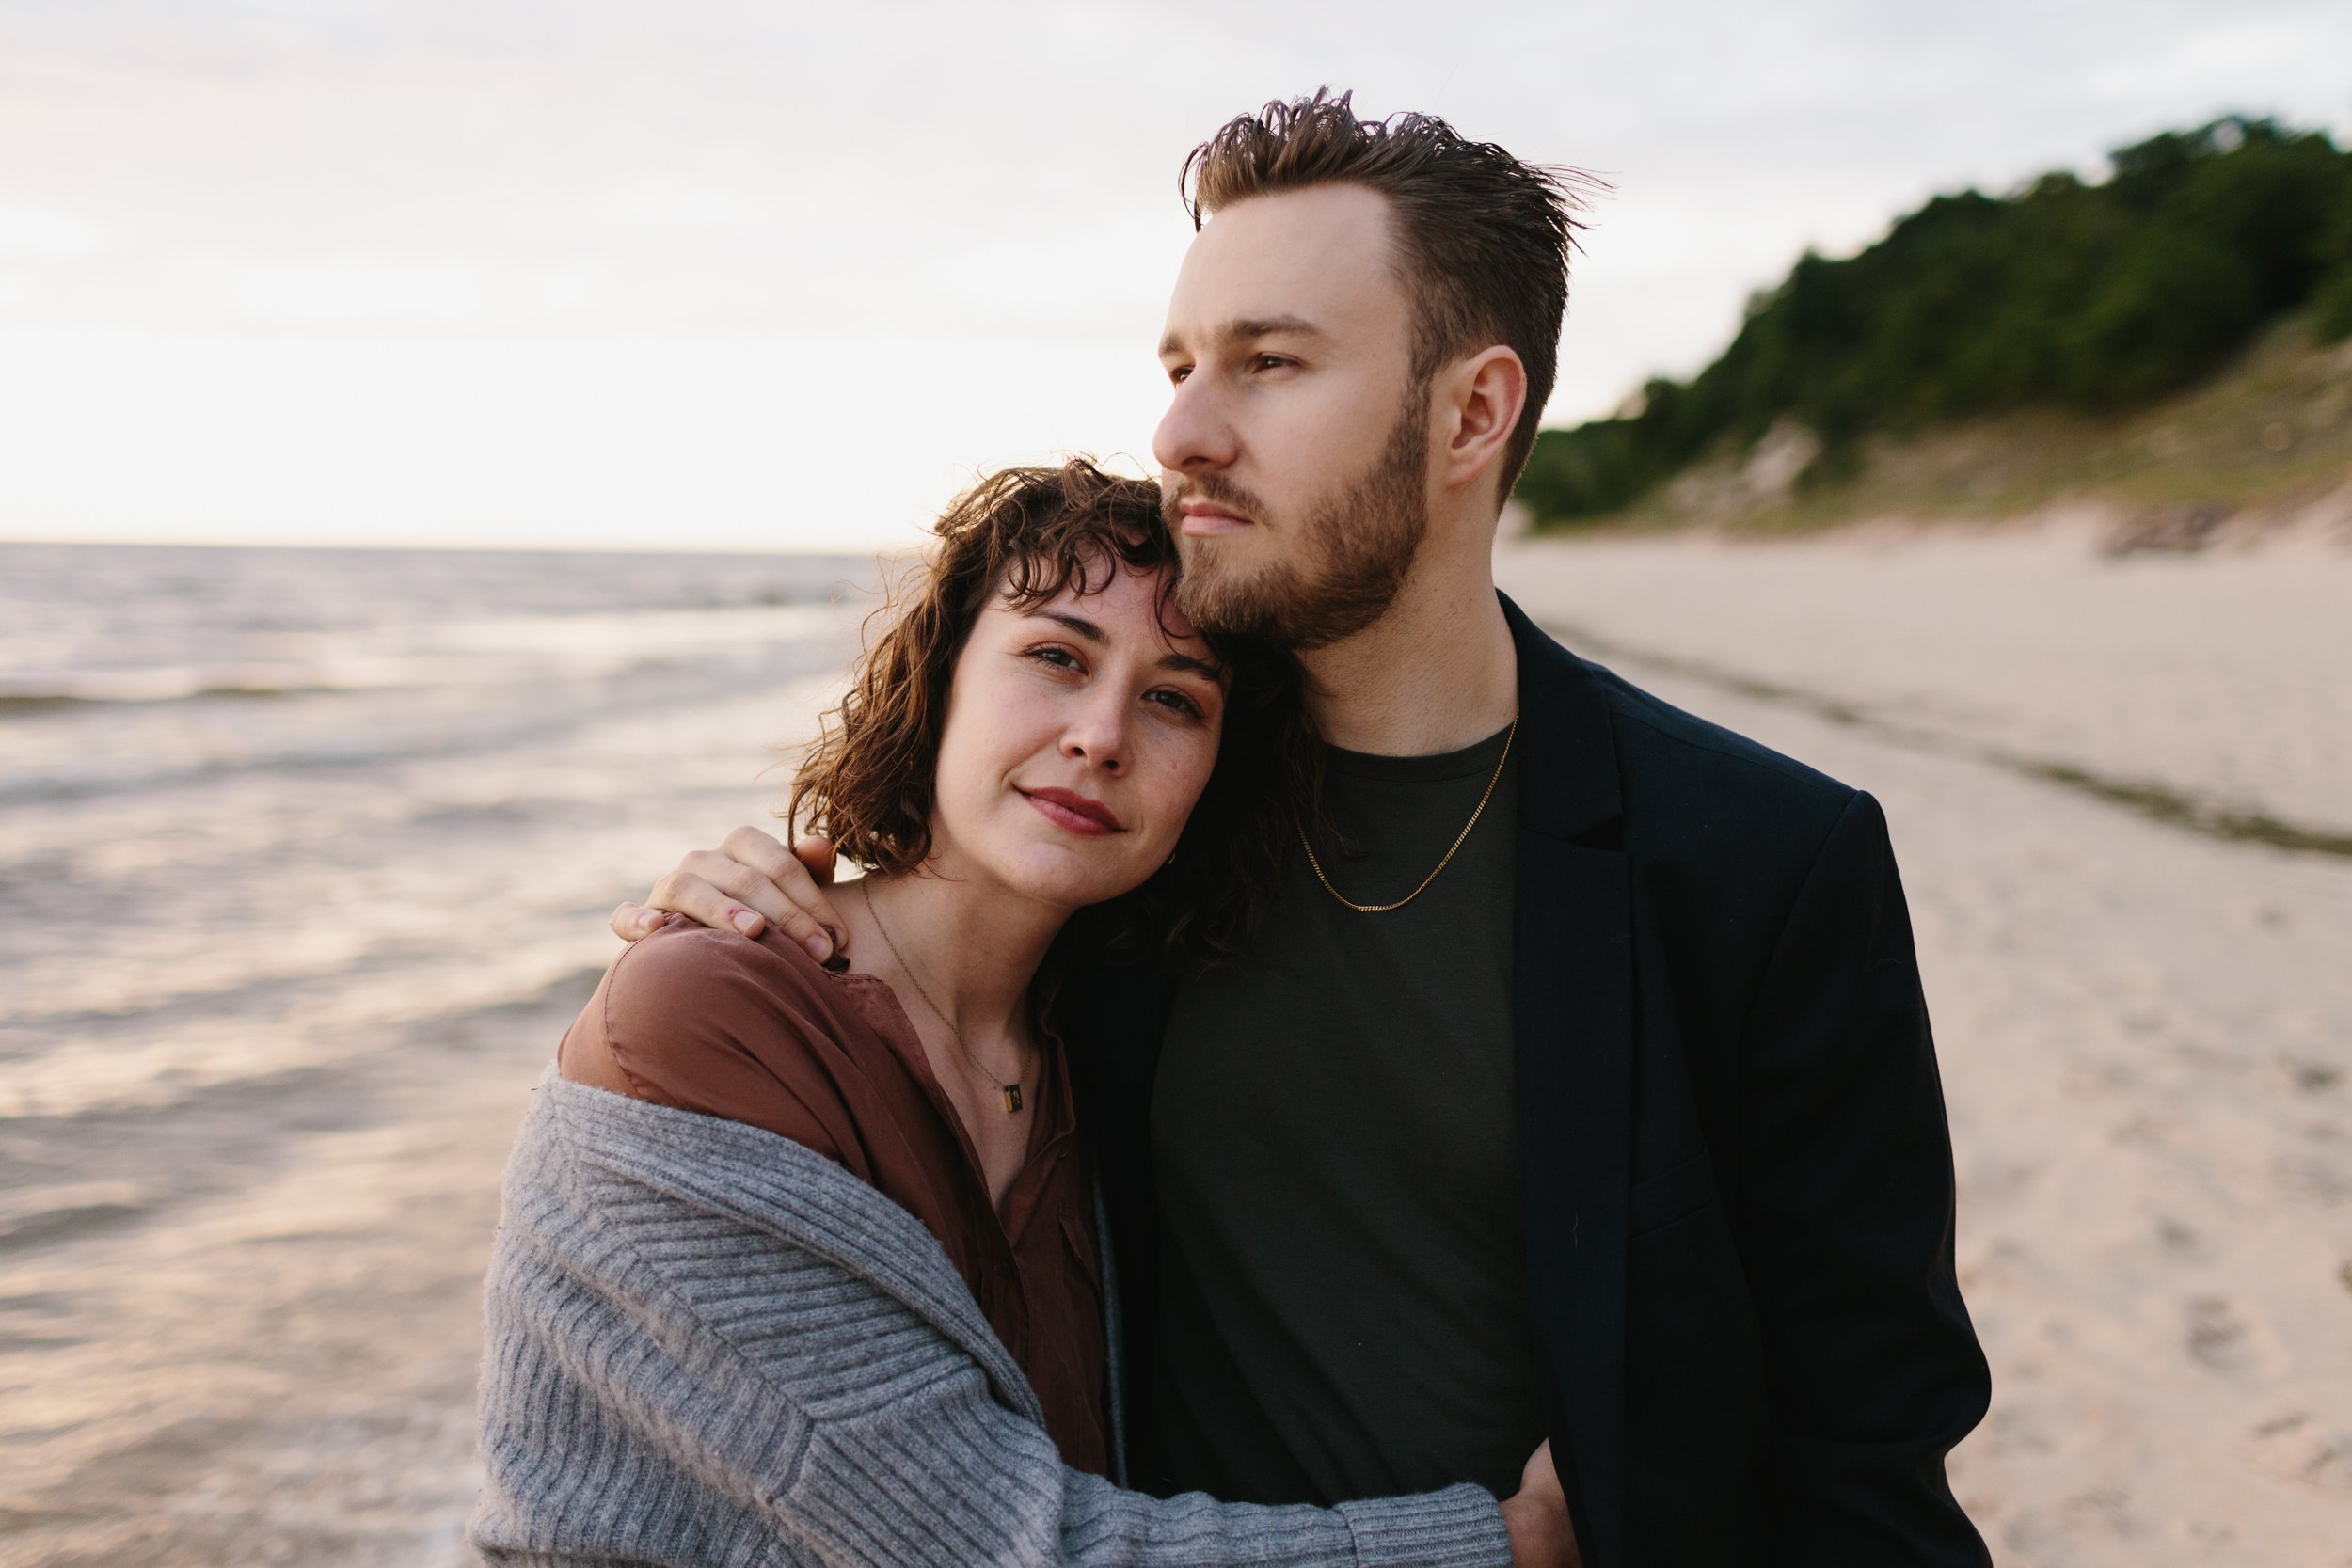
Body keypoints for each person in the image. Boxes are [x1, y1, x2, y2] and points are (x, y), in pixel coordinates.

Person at [616, 93, 1994, 1567]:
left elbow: (1868, 1460)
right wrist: (741, 919)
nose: (1182, 433)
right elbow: (923, 1004)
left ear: (1472, 412)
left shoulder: (1758, 865)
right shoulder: (1138, 809)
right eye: (1180, 366)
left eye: (1268, 365)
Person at [472, 461, 1581, 1568]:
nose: (1102, 734)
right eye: (1056, 655)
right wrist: (1509, 1544)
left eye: (1174, 697)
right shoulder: (714, 1013)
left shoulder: (1089, 1052)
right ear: (942, 674)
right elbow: (1000, 1545)